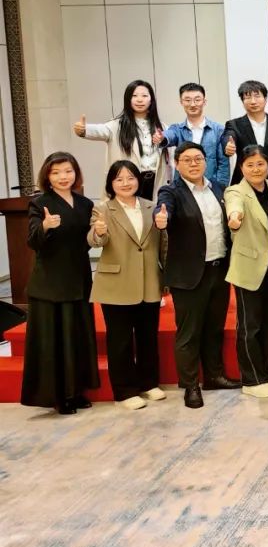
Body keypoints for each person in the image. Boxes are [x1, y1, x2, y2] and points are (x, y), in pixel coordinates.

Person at [155, 142, 240, 409]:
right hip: (189, 274)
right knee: (189, 333)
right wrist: (161, 217)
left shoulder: (219, 188)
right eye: (187, 160)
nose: (194, 164)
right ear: (177, 164)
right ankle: (190, 385)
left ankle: (214, 376)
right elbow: (163, 208)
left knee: (214, 328)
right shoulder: (171, 191)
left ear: (206, 161)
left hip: (219, 270)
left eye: (198, 159)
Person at [21, 152, 99, 414]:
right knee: (54, 342)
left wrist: (98, 233)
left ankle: (76, 391)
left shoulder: (85, 204)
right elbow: (33, 241)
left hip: (79, 277)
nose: (63, 177)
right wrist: (45, 226)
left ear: (76, 173)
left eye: (68, 171)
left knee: (77, 337)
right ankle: (59, 396)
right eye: (56, 172)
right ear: (47, 176)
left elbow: (87, 241)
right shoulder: (40, 203)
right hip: (50, 283)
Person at [88, 160, 165, 410]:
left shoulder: (151, 206)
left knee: (147, 336)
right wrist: (99, 232)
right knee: (119, 340)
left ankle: (148, 383)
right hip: (116, 282)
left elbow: (160, 242)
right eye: (119, 179)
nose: (125, 183)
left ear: (138, 181)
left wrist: (164, 227)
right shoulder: (102, 209)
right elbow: (95, 240)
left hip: (148, 281)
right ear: (111, 183)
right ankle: (124, 391)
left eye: (130, 178)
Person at [224, 145, 268, 399]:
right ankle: (251, 379)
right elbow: (234, 207)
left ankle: (267, 373)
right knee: (250, 326)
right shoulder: (235, 191)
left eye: (260, 164)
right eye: (250, 165)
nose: (256, 169)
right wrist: (234, 218)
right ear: (241, 167)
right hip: (249, 269)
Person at [73, 79, 170, 199]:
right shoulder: (116, 126)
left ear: (151, 100)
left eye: (144, 96)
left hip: (155, 183)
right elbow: (99, 130)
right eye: (134, 96)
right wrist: (83, 130)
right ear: (128, 99)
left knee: (153, 210)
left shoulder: (162, 127)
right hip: (128, 183)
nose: (139, 99)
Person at [162, 82, 229, 190]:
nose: (192, 104)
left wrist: (221, 189)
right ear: (181, 102)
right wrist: (161, 138)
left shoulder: (218, 130)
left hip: (210, 186)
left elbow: (223, 164)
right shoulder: (177, 129)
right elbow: (169, 136)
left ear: (204, 101)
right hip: (183, 189)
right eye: (187, 100)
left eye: (197, 100)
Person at [223, 80, 268, 185]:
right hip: (245, 182)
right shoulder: (234, 124)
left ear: (265, 99)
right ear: (242, 101)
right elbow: (229, 136)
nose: (253, 101)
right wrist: (227, 145)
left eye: (257, 96)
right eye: (248, 97)